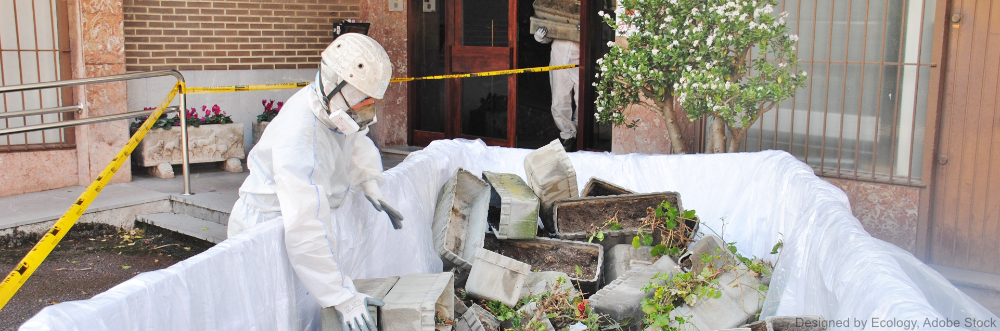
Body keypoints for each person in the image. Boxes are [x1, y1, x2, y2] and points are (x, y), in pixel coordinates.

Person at [226, 33, 403, 331]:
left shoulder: (331, 109)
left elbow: (355, 141)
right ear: (336, 83)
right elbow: (306, 226)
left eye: (371, 100)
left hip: (296, 234)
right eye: (362, 99)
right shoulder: (301, 137)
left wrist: (370, 182)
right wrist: (340, 295)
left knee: (301, 312)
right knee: (271, 319)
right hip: (269, 230)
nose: (366, 108)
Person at [534, 26, 580, 151]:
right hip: (559, 58)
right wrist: (541, 37)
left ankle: (579, 133)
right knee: (559, 99)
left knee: (584, 99)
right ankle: (568, 136)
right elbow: (550, 29)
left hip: (580, 59)